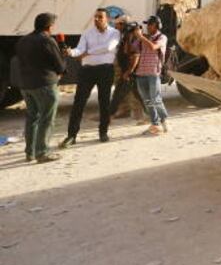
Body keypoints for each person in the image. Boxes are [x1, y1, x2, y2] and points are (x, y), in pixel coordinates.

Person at [60, 8, 120, 147]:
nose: (97, 19)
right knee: (78, 103)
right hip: (87, 71)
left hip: (105, 70)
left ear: (107, 19)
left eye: (100, 17)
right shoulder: (87, 33)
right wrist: (71, 52)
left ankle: (103, 132)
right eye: (95, 17)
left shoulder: (114, 33)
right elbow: (80, 49)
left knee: (104, 102)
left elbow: (109, 47)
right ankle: (71, 136)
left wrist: (88, 53)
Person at [14, 13, 66, 163]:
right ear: (49, 27)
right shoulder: (47, 40)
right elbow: (60, 66)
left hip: (26, 86)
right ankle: (42, 152)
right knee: (46, 119)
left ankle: (29, 153)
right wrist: (62, 51)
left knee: (32, 118)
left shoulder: (23, 41)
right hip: (44, 85)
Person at [133, 15, 169, 135]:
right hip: (140, 73)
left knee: (155, 99)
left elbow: (153, 47)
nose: (147, 26)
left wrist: (141, 37)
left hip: (153, 73)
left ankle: (164, 120)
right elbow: (131, 50)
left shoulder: (162, 37)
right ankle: (155, 124)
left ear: (157, 25)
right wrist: (130, 35)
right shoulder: (143, 38)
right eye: (147, 24)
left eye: (150, 24)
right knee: (147, 100)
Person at [108, 15, 146, 123]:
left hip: (130, 72)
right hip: (127, 71)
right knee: (138, 94)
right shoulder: (125, 35)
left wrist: (129, 71)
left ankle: (107, 117)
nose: (116, 27)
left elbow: (136, 55)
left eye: (117, 25)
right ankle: (153, 116)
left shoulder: (132, 36)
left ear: (123, 24)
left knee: (117, 95)